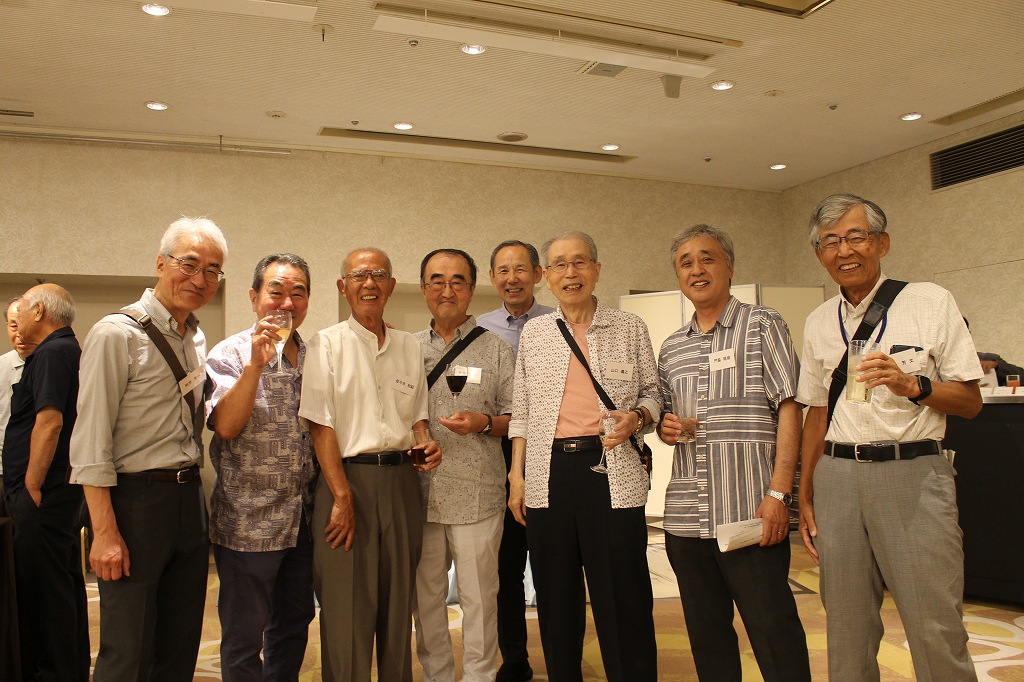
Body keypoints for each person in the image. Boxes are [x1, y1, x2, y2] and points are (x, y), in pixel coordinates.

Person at [797, 194, 982, 681]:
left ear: (882, 243)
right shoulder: (818, 321)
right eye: (831, 242)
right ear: (819, 254)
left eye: (856, 237)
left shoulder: (929, 301)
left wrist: (913, 385)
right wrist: (806, 492)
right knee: (846, 627)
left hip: (913, 474)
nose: (844, 250)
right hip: (837, 477)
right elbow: (817, 412)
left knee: (934, 624)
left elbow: (970, 401)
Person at [70, 216, 228, 681]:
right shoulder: (115, 334)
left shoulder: (195, 336)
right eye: (189, 264)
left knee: (179, 643)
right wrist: (104, 533)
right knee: (129, 649)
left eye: (212, 271)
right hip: (134, 502)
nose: (199, 279)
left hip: (188, 500)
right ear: (161, 264)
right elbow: (90, 441)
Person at [655, 225, 810, 682]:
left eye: (707, 258)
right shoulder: (672, 347)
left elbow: (790, 407)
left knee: (773, 628)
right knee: (707, 636)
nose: (696, 269)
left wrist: (779, 494)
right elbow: (666, 419)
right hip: (687, 516)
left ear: (730, 267)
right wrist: (667, 428)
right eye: (685, 262)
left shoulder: (763, 324)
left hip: (749, 511)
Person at [508, 230, 660, 682]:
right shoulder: (535, 333)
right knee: (555, 595)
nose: (570, 273)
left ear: (596, 269)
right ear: (546, 275)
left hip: (613, 469)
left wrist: (637, 416)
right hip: (548, 472)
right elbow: (522, 412)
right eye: (560, 264)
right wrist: (516, 477)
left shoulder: (629, 326)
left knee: (624, 592)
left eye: (579, 262)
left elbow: (654, 393)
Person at [298, 247, 442, 682]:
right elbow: (320, 426)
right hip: (346, 482)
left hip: (401, 484)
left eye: (378, 274)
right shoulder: (326, 343)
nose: (369, 283)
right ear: (343, 287)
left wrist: (425, 443)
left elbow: (416, 417)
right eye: (359, 275)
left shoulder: (408, 346)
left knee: (398, 610)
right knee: (347, 612)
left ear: (391, 286)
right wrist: (342, 497)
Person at [205, 254, 317, 681]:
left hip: (302, 519)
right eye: (276, 291)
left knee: (293, 626)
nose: (287, 302)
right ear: (254, 297)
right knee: (243, 636)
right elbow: (226, 426)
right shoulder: (230, 353)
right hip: (247, 522)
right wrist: (255, 365)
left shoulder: (316, 355)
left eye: (298, 293)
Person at [413, 248, 515, 682]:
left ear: (472, 290)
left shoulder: (497, 349)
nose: (447, 289)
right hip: (419, 496)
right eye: (437, 280)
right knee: (426, 600)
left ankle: (480, 676)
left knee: (480, 599)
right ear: (424, 289)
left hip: (478, 494)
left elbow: (518, 418)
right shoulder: (406, 349)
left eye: (458, 281)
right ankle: (437, 675)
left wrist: (483, 422)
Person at [477, 240, 554, 682]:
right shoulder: (480, 330)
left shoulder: (558, 321)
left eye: (521, 269)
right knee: (505, 566)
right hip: (500, 452)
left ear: (538, 274)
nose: (512, 278)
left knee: (553, 565)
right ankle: (515, 659)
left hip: (553, 454)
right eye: (503, 270)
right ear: (492, 277)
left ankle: (560, 655)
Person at [3, 284, 88, 681]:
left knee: (45, 592)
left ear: (38, 311)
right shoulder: (62, 350)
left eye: (21, 307)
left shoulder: (53, 353)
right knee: (60, 585)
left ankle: (52, 673)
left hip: (44, 494)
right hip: (54, 492)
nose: (15, 317)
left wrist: (31, 486)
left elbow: (50, 422)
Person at [1, 298, 38, 515]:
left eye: (25, 325)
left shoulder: (56, 363)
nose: (21, 334)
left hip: (40, 472)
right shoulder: (1, 367)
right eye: (14, 326)